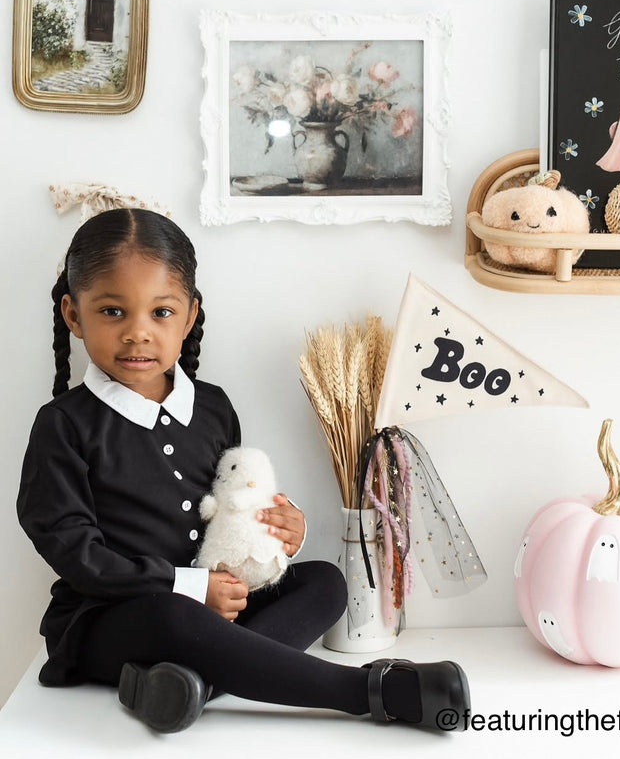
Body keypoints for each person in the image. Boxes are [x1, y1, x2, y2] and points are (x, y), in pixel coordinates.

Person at [17, 208, 471, 734]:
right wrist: (187, 587)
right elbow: (77, 556)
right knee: (175, 616)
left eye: (161, 313)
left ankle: (187, 688)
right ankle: (368, 692)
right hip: (115, 621)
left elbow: (238, 502)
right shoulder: (63, 425)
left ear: (189, 316)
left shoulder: (212, 407)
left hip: (217, 607)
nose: (138, 334)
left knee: (324, 582)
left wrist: (282, 530)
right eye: (113, 312)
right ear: (74, 316)